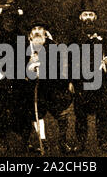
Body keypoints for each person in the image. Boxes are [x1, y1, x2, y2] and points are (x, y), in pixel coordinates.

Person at [0, 0, 35, 153]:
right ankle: (4, 140)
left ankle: (24, 141)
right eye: (6, 17)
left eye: (12, 17)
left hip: (18, 78)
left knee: (23, 110)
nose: (9, 21)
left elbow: (26, 58)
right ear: (2, 18)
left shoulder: (22, 36)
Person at [70, 0, 107, 153]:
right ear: (81, 17)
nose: (88, 17)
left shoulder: (104, 34)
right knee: (80, 113)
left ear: (95, 17)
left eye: (91, 14)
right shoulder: (74, 35)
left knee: (102, 112)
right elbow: (69, 58)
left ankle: (103, 142)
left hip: (99, 78)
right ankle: (80, 142)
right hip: (80, 78)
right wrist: (70, 81)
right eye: (85, 14)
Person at [26, 18, 74, 154]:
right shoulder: (25, 47)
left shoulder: (53, 46)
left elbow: (62, 66)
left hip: (53, 86)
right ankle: (43, 141)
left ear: (45, 32)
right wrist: (29, 69)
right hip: (35, 87)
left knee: (62, 113)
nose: (36, 32)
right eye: (34, 30)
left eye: (39, 29)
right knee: (36, 113)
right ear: (30, 34)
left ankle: (63, 142)